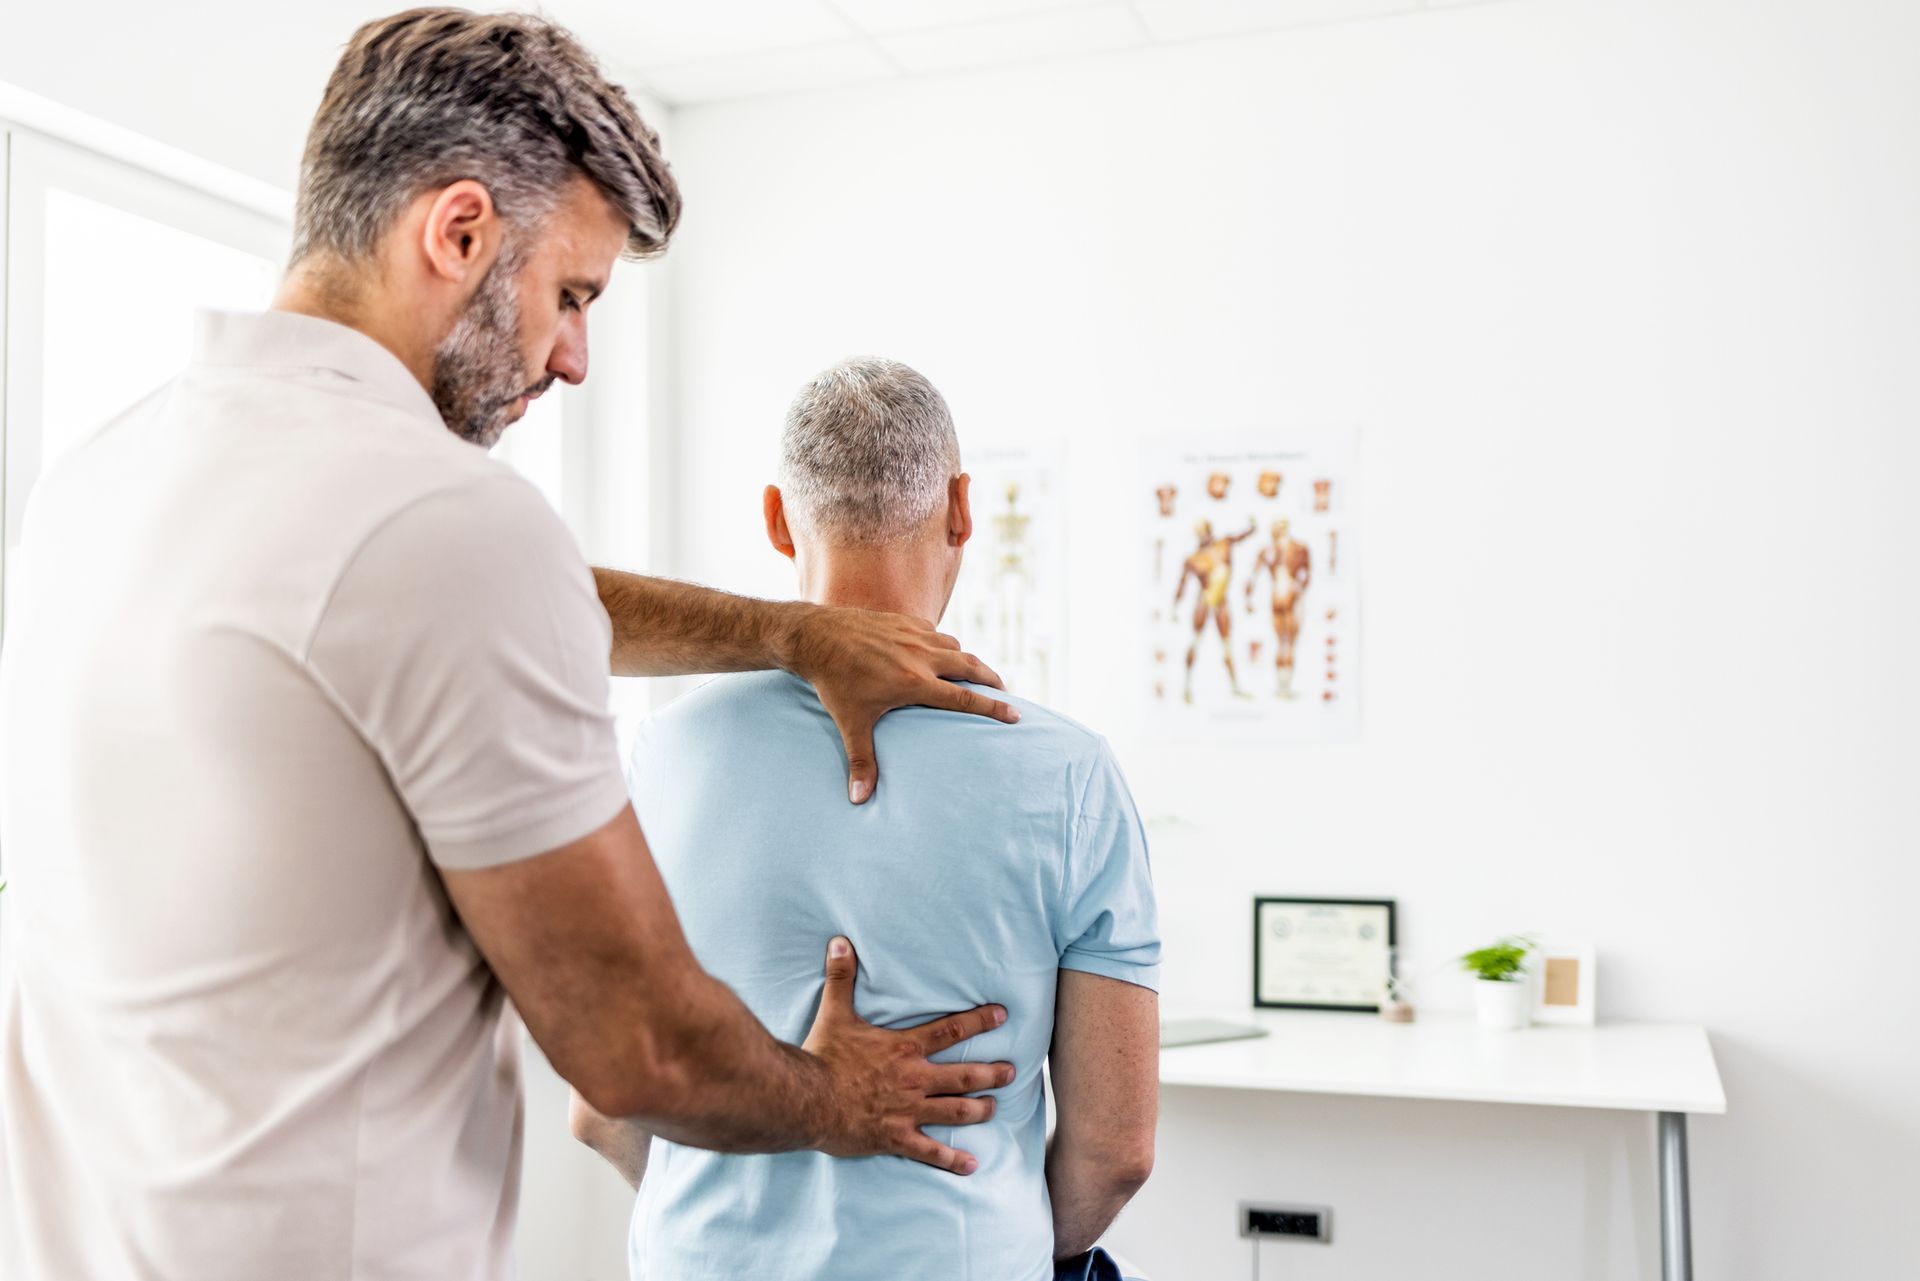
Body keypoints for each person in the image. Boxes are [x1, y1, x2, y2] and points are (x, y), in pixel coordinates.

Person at [0, 13, 1018, 1280]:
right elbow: (638, 1047)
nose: (575, 357)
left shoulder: (100, 480)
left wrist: (794, 633)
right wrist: (842, 1097)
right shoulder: (449, 527)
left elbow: (440, 608)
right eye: (571, 295)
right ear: (460, 231)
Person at [571, 358, 1161, 1281]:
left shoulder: (661, 757)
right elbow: (1116, 1150)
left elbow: (600, 1110)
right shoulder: (1071, 774)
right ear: (963, 509)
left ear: (775, 518)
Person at [1173, 516, 1258, 702]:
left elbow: (1240, 537)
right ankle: (1186, 687)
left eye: (1204, 530)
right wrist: (1175, 607)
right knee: (1195, 641)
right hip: (1204, 601)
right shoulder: (1194, 559)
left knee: (1227, 644)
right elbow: (1182, 584)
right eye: (1199, 531)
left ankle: (1235, 686)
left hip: (1220, 601)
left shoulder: (1224, 544)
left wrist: (1252, 527)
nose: (1202, 534)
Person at [1245, 517, 1311, 698]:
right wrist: (1248, 598)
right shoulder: (1272, 550)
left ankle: (1284, 685)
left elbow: (1306, 575)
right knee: (1286, 642)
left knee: (1286, 642)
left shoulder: (1297, 549)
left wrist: (1299, 588)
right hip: (1282, 596)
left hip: (1286, 594)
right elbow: (1253, 576)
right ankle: (1283, 686)